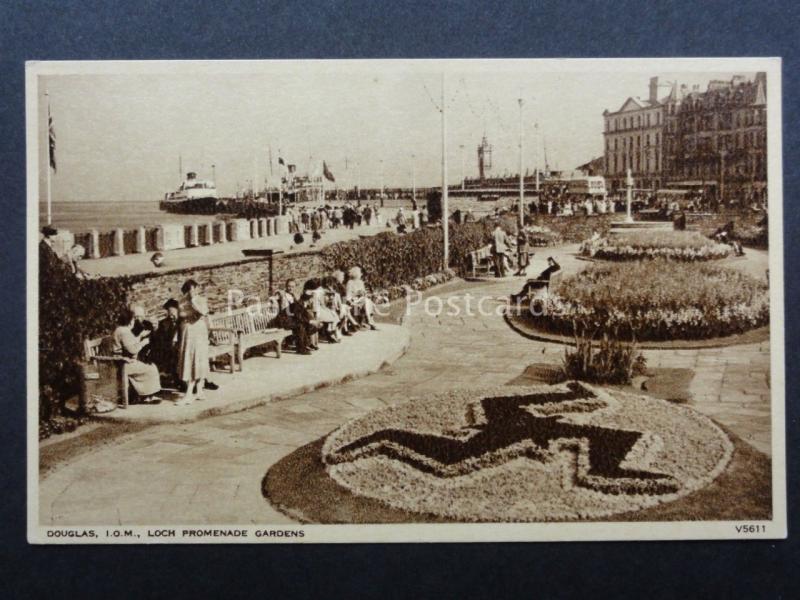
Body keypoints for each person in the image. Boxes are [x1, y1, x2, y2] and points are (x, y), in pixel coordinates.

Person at [111, 307, 162, 404]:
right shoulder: (124, 331)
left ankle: (144, 394)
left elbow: (131, 343)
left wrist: (140, 336)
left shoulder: (120, 329)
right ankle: (146, 396)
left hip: (121, 361)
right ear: (130, 320)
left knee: (149, 366)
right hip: (122, 364)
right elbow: (133, 350)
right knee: (151, 368)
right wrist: (144, 342)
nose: (134, 321)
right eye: (134, 318)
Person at [176, 279, 210, 406]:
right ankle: (196, 391)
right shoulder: (181, 301)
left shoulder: (200, 300)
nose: (192, 292)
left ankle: (193, 392)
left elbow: (203, 312)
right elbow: (181, 314)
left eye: (194, 289)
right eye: (190, 289)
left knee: (198, 359)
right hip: (187, 332)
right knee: (189, 358)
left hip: (198, 332)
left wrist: (193, 300)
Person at [149, 298, 182, 388]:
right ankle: (173, 379)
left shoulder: (183, 322)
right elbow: (158, 339)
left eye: (173, 313)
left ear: (178, 311)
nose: (171, 316)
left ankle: (180, 380)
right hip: (167, 350)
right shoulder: (164, 323)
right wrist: (155, 330)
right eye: (169, 313)